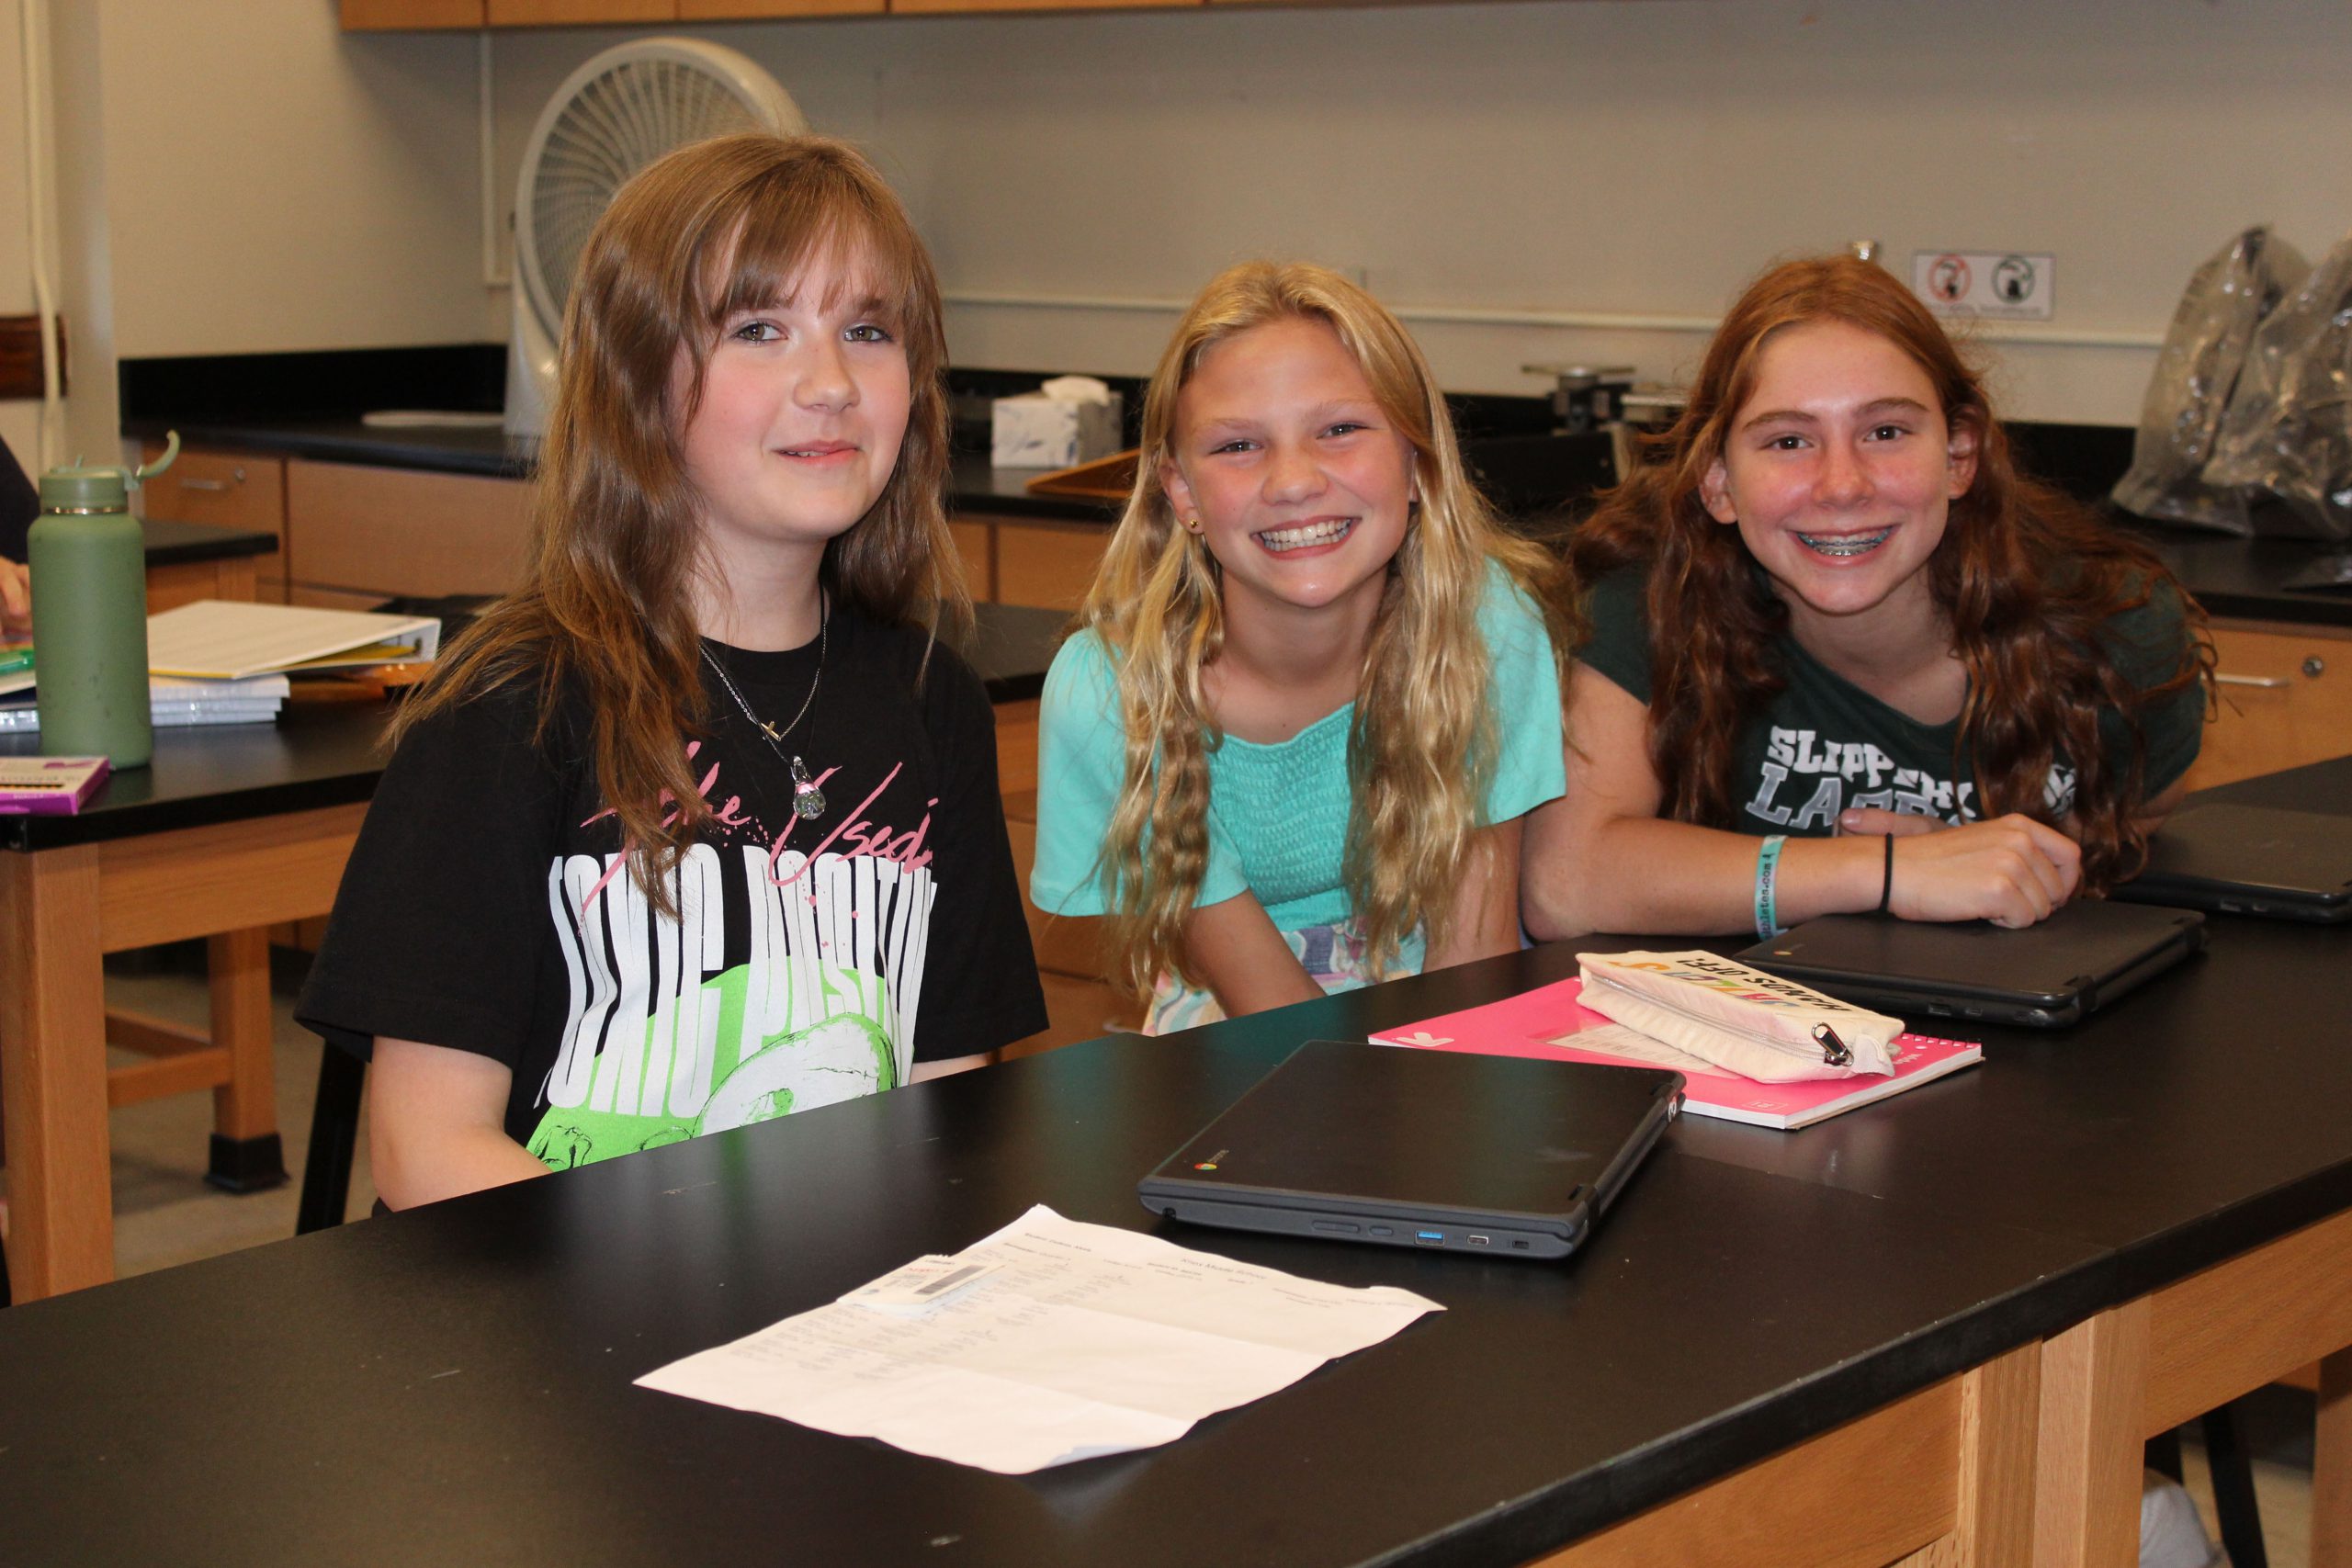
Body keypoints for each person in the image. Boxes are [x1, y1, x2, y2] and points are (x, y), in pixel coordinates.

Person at [297, 134, 1046, 1210]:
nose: (830, 383)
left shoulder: (934, 702)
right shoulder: (512, 704)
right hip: (549, 1328)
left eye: (868, 331)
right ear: (639, 378)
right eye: (759, 328)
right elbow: (428, 1157)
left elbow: (942, 1105)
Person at [1522, 254, 2212, 942]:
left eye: (1886, 432)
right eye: (1789, 440)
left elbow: (2143, 817)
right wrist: (1890, 871)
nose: (1842, 485)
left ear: (1958, 456)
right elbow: (1565, 885)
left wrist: (2018, 863)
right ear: (1718, 483)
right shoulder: (1649, 599)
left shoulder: (2116, 628)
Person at [1030, 262, 1574, 1033]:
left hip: (1454, 1018)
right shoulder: (1115, 693)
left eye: (1340, 430)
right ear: (1181, 493)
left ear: (1415, 462)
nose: (1293, 481)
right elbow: (1276, 1017)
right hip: (1254, 1026)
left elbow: (1474, 957)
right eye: (1240, 445)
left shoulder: (1486, 627)